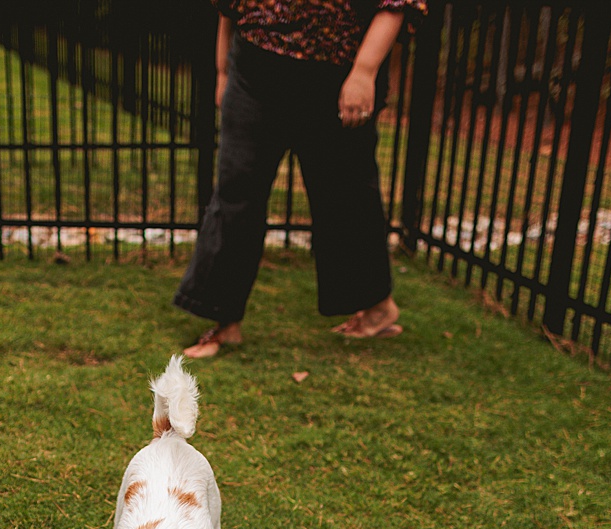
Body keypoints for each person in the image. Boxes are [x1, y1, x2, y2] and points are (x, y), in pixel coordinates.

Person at [174, 0, 425, 359]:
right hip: (254, 70)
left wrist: (364, 72)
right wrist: (222, 73)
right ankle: (224, 320)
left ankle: (376, 307)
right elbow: (227, 7)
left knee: (346, 192)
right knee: (237, 189)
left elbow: (396, 5)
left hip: (338, 74)